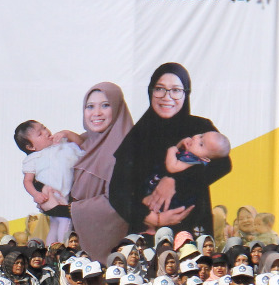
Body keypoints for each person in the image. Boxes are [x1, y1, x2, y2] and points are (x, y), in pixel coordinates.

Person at [108, 63, 232, 238]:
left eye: (175, 90)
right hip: (148, 227)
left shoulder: (200, 128)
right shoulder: (137, 135)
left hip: (193, 227)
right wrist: (154, 219)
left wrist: (174, 180)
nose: (167, 97)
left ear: (186, 93)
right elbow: (117, 191)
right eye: (160, 89)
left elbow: (223, 165)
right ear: (151, 91)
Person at [14, 120, 83, 245]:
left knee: (55, 223)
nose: (46, 133)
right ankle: (64, 247)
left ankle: (51, 249)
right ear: (31, 147)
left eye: (44, 128)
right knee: (64, 220)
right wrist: (35, 194)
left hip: (64, 193)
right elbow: (27, 181)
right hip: (50, 196)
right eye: (40, 134)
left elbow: (80, 143)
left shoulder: (60, 144)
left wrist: (66, 133)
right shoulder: (33, 159)